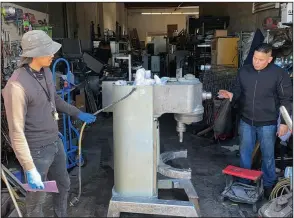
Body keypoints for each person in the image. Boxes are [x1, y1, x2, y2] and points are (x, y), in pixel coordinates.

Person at [2, 30, 96, 217]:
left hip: (55, 141)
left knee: (63, 184)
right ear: (34, 54)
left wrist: (78, 113)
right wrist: (29, 168)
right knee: (37, 198)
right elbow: (16, 133)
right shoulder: (16, 86)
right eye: (48, 51)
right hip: (36, 149)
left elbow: (56, 100)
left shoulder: (45, 71)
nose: (53, 55)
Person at [218, 43, 293, 198]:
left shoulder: (279, 74)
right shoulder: (244, 71)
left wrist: (285, 123)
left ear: (270, 59)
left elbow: (286, 99)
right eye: (255, 58)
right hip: (246, 120)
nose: (256, 62)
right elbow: (238, 90)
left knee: (268, 156)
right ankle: (245, 183)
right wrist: (231, 95)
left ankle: (268, 185)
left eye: (261, 59)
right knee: (245, 154)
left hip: (268, 123)